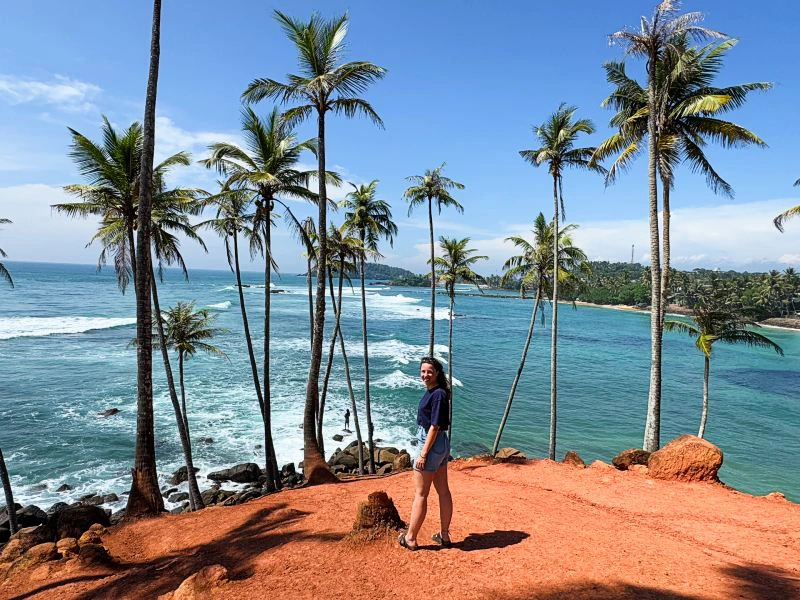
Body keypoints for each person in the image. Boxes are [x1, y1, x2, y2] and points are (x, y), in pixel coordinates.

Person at [398, 356, 453, 551]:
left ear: (437, 373)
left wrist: (423, 454)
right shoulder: (438, 392)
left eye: (429, 371)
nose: (425, 375)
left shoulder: (437, 394)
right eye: (423, 371)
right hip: (441, 444)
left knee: (421, 494)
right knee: (443, 491)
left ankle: (410, 538)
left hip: (430, 442)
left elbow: (434, 426)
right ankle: (444, 535)